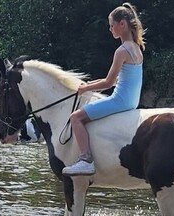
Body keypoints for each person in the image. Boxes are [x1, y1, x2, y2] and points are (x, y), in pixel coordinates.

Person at [62, 2, 145, 176]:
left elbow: (108, 83)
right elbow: (116, 81)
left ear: (122, 24)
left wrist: (85, 90)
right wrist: (89, 85)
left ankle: (85, 160)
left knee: (76, 117)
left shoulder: (122, 50)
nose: (110, 29)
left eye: (112, 25)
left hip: (120, 101)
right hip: (132, 101)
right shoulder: (137, 48)